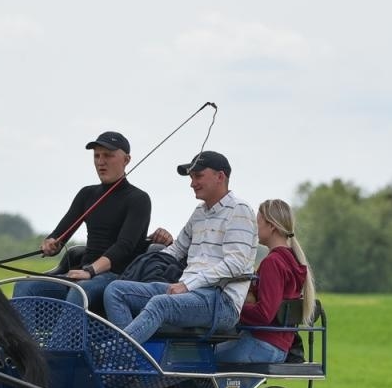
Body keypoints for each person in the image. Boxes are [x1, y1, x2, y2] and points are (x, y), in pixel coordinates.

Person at [103, 150, 257, 347]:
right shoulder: (200, 212)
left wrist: (188, 284)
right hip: (189, 293)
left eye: (198, 176)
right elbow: (176, 250)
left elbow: (235, 264)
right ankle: (130, 363)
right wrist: (144, 259)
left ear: (220, 176)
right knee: (115, 290)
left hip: (222, 302)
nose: (192, 183)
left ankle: (116, 353)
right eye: (191, 177)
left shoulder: (239, 209)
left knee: (161, 303)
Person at [15, 130, 151, 311]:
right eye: (97, 156)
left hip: (117, 277)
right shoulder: (87, 194)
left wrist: (91, 270)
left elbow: (124, 247)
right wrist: (51, 243)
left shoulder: (138, 199)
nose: (101, 162)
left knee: (79, 291)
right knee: (24, 286)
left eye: (108, 156)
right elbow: (61, 233)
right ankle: (22, 340)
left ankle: (62, 341)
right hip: (85, 273)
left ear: (126, 160)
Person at [214, 198, 316, 365]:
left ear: (272, 226)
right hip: (278, 345)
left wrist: (233, 308)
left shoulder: (273, 262)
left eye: (258, 222)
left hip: (263, 344)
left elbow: (264, 313)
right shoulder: (292, 259)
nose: (254, 228)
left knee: (200, 358)